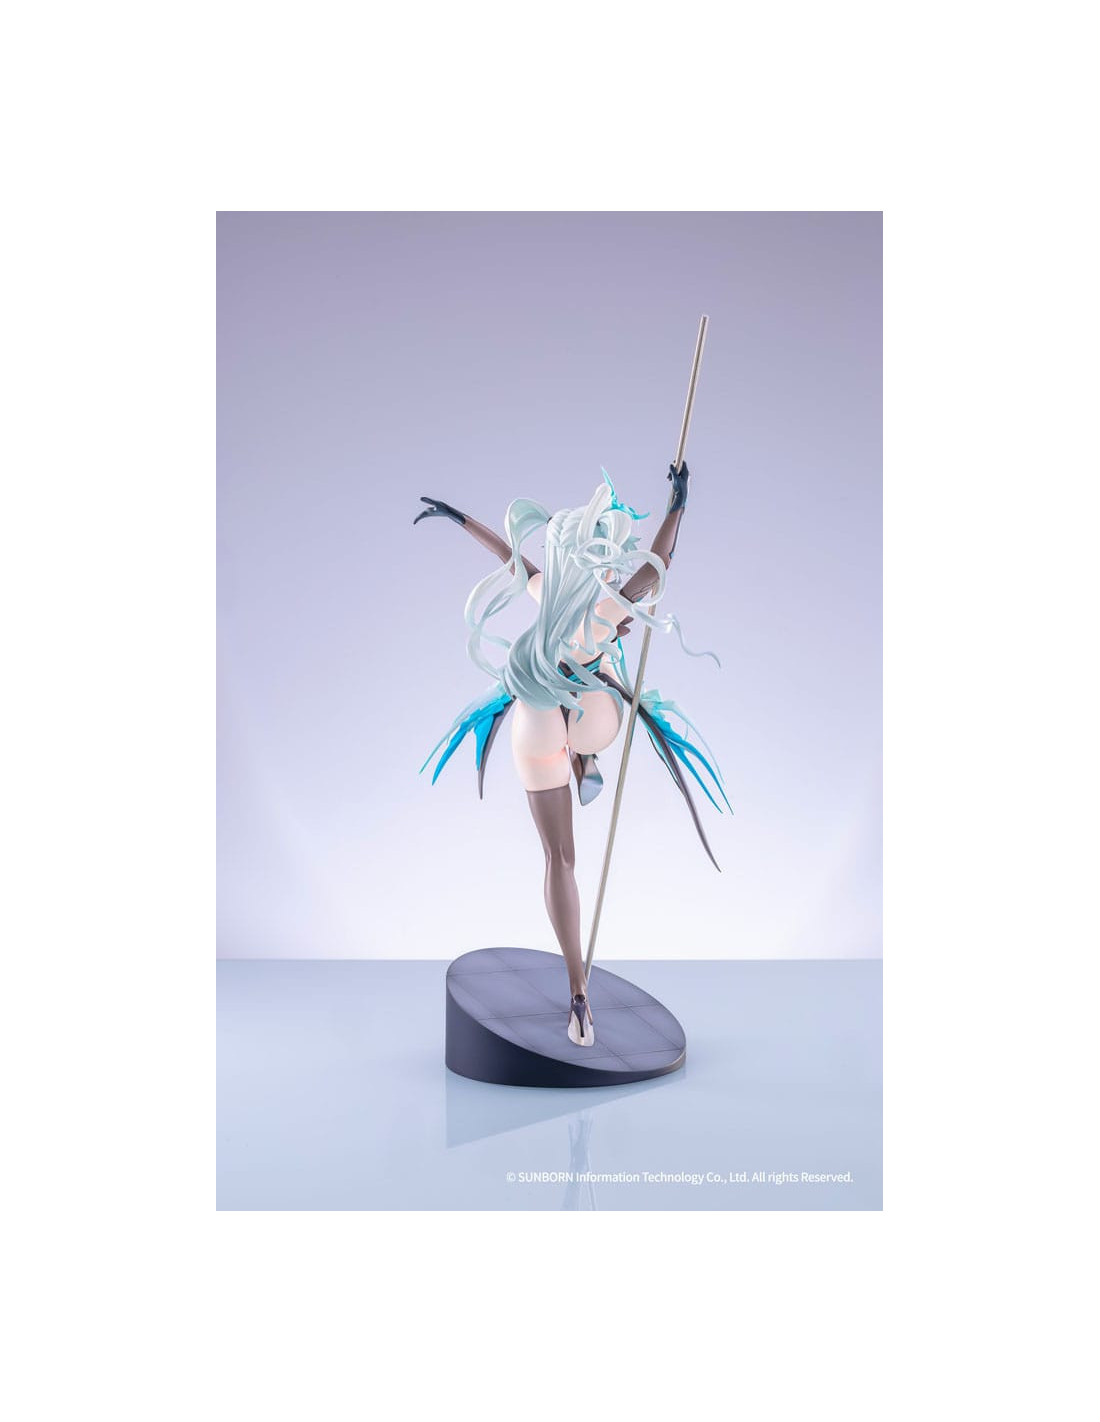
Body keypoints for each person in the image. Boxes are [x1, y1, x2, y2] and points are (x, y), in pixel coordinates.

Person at [415, 465, 729, 1048]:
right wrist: (678, 505)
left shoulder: (549, 595)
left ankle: (578, 995)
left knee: (559, 859)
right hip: (584, 717)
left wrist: (460, 519)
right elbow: (659, 562)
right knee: (603, 695)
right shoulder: (607, 608)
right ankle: (585, 758)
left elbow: (508, 556)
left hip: (535, 723)